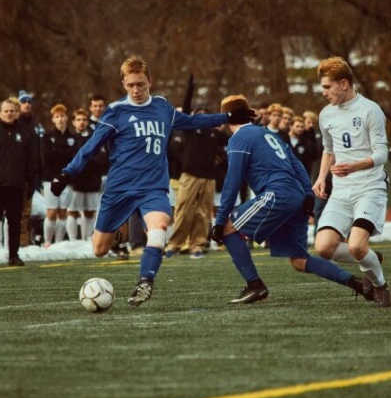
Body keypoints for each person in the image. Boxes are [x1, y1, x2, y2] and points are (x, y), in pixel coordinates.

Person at [50, 55, 255, 307]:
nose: (136, 90)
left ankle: (145, 281)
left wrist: (227, 118)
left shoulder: (161, 107)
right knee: (99, 249)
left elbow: (191, 122)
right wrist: (66, 173)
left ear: (150, 81)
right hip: (119, 189)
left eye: (141, 84)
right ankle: (117, 233)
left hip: (153, 187)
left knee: (159, 228)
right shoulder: (115, 112)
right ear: (123, 83)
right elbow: (91, 148)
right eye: (131, 85)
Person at [211, 94, 374, 305]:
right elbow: (296, 164)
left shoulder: (239, 138)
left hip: (276, 194)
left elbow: (232, 182)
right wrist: (307, 194)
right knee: (299, 260)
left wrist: (220, 219)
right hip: (295, 194)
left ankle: (255, 285)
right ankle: (357, 283)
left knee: (226, 229)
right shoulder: (269, 134)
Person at [312, 56, 391, 307]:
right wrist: (322, 177)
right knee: (323, 248)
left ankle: (380, 287)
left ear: (344, 83)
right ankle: (371, 258)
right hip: (341, 191)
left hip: (370, 187)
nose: (323, 92)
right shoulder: (326, 115)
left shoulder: (370, 110)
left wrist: (354, 166)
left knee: (356, 245)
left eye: (327, 87)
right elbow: (328, 149)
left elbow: (382, 154)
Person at [165, 106, 227, 259]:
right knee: (183, 210)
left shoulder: (214, 133)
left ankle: (196, 246)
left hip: (209, 177)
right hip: (190, 176)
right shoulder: (189, 130)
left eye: (205, 115)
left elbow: (226, 147)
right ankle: (174, 245)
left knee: (203, 213)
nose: (202, 118)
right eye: (199, 115)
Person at [0, 99, 35, 266]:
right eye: (6, 111)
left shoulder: (25, 134)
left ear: (17, 113)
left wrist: (31, 182)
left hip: (16, 185)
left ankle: (13, 255)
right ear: (1, 112)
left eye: (12, 111)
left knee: (15, 221)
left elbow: (31, 161)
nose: (9, 114)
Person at [66, 108, 107, 241]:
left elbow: (102, 158)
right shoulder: (69, 138)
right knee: (72, 211)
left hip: (92, 180)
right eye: (78, 120)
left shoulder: (94, 138)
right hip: (75, 181)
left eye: (84, 120)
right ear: (73, 122)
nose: (81, 122)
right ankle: (72, 241)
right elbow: (67, 158)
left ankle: (87, 240)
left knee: (89, 212)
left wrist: (87, 158)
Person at [42, 104, 78, 247]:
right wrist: (62, 153)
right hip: (50, 179)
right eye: (57, 117)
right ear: (53, 119)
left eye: (62, 116)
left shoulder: (73, 138)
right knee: (51, 211)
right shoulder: (47, 137)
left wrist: (57, 151)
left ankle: (58, 243)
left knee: (63, 212)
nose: (60, 119)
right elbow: (46, 156)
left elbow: (73, 156)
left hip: (67, 179)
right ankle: (47, 242)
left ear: (67, 118)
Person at [17, 90, 45, 246]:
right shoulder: (15, 125)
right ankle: (12, 242)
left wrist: (39, 173)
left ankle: (25, 241)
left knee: (29, 211)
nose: (27, 104)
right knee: (15, 211)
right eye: (23, 102)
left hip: (33, 173)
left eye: (29, 102)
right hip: (16, 174)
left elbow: (38, 152)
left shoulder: (35, 125)